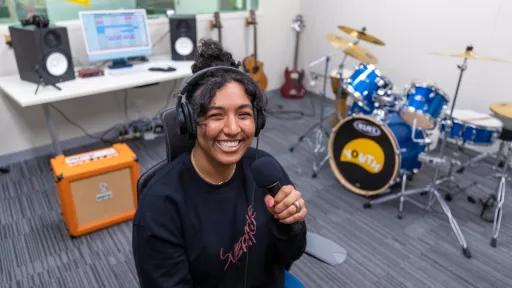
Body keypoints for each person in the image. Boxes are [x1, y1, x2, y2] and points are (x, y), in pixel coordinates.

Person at [132, 39, 307, 288]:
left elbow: (289, 255)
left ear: (258, 121)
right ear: (189, 122)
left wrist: (292, 224)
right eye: (216, 115)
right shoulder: (161, 205)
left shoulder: (265, 169)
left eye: (244, 114)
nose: (233, 129)